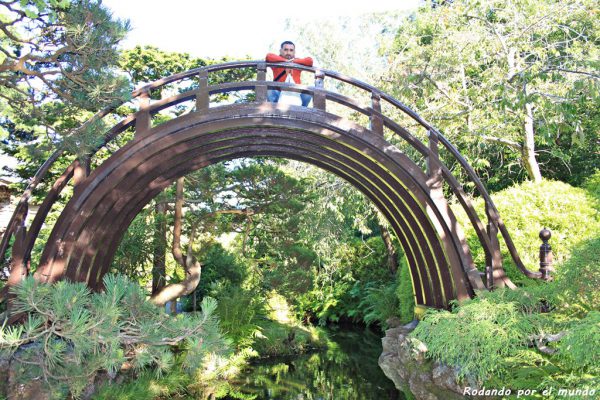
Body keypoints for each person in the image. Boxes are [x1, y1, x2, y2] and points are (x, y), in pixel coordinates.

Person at [266, 41, 313, 107]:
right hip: (279, 91)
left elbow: (310, 61)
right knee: (270, 90)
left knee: (307, 94)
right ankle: (273, 113)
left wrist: (293, 62)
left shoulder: (297, 62)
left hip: (296, 91)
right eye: (286, 50)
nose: (288, 53)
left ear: (294, 52)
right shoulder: (276, 61)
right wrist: (287, 62)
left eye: (291, 50)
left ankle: (301, 114)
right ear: (280, 51)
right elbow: (268, 56)